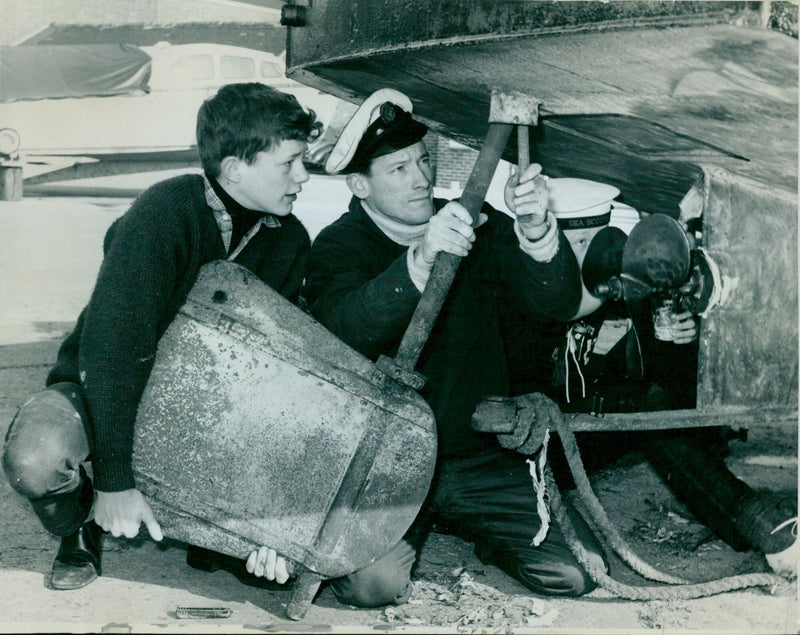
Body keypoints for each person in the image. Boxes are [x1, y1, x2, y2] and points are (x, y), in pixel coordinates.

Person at [2, 83, 321, 591]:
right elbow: (112, 352)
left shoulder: (290, 240)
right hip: (101, 389)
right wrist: (113, 482)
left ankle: (201, 537)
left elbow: (270, 379)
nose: (303, 176)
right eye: (290, 163)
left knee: (276, 560)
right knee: (36, 459)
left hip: (198, 419)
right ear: (236, 167)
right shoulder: (165, 212)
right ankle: (81, 522)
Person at [300, 88, 608, 607]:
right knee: (370, 587)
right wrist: (419, 261)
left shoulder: (473, 220)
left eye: (422, 161)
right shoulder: (338, 246)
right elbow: (345, 330)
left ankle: (486, 532)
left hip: (475, 457)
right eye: (398, 169)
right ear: (359, 185)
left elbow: (554, 301)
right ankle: (424, 532)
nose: (422, 178)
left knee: (579, 572)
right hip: (388, 463)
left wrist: (536, 231)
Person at [529, 177, 798, 578]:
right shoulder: (525, 293)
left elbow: (669, 388)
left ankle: (760, 524)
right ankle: (759, 523)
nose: (582, 261)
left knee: (652, 412)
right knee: (646, 414)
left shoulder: (629, 289)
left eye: (592, 243)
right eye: (572, 246)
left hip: (598, 429)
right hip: (538, 445)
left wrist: (675, 342)